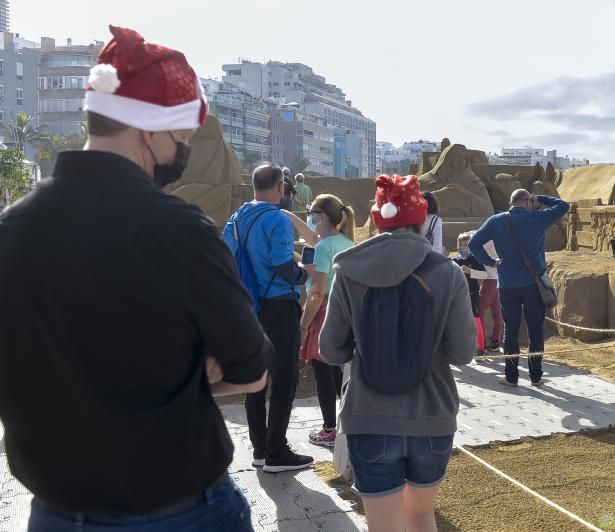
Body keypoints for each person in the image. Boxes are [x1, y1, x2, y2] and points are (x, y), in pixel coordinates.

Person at [0, 26, 271, 531]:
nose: (183, 153)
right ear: (150, 130)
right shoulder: (180, 232)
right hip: (181, 512)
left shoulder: (9, 231)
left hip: (53, 513)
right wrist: (189, 374)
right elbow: (253, 369)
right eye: (183, 138)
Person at [319, 174, 475, 532]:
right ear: (422, 219)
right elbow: (463, 352)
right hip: (432, 414)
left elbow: (330, 349)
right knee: (421, 517)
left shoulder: (348, 269)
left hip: (369, 416)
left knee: (384, 526)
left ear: (376, 219)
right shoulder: (447, 273)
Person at [223, 163, 314, 473]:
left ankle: (260, 449)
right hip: (278, 304)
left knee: (255, 380)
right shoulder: (275, 218)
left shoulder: (235, 219)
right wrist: (304, 274)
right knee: (284, 378)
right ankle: (277, 452)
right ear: (279, 187)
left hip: (248, 308)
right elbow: (282, 265)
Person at [469, 189, 569, 387]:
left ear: (510, 202)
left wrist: (490, 261)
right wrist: (539, 198)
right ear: (527, 202)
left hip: (508, 285)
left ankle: (511, 376)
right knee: (535, 331)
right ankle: (536, 376)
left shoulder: (496, 221)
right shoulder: (538, 218)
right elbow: (564, 206)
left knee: (511, 331)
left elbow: (473, 243)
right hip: (534, 285)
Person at [284, 195, 354, 447]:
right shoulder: (343, 240)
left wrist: (303, 326)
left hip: (322, 310)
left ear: (321, 216)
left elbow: (316, 292)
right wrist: (289, 216)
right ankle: (345, 424)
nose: (309, 218)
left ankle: (329, 429)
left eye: (311, 212)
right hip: (343, 309)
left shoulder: (324, 247)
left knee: (323, 373)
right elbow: (312, 237)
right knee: (336, 372)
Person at [453, 231, 488, 355]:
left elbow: (485, 275)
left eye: (467, 245)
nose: (464, 247)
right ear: (458, 246)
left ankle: (481, 348)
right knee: (457, 322)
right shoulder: (454, 261)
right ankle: (460, 348)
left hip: (473, 293)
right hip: (458, 296)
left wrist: (470, 271)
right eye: (461, 245)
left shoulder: (475, 259)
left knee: (476, 320)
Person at [479, 240, 503, 351]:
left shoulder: (482, 239)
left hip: (489, 279)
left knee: (479, 311)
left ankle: (482, 342)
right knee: (496, 311)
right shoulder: (497, 239)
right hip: (496, 278)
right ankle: (495, 342)